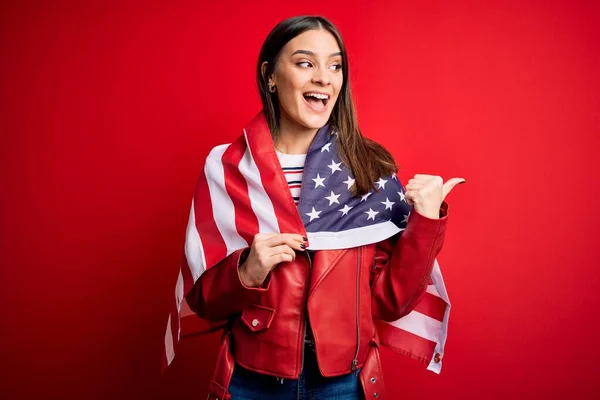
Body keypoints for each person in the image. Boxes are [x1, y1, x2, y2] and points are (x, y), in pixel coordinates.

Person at [184, 15, 464, 400]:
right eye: (305, 63)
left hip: (342, 383)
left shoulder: (371, 170)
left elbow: (390, 301)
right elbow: (204, 303)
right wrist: (247, 270)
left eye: (335, 66)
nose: (323, 78)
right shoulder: (228, 167)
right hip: (253, 380)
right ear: (269, 75)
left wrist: (426, 221)